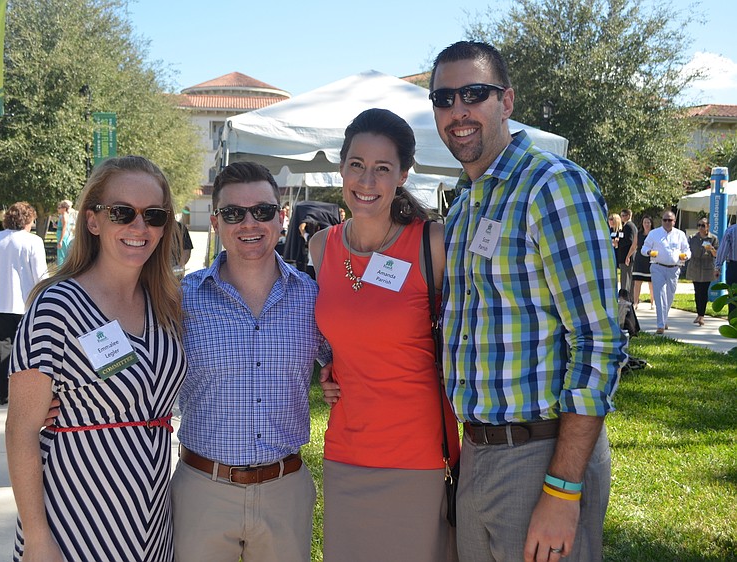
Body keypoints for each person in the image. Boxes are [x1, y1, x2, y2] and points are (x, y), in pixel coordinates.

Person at [431, 41, 624, 561]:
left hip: (542, 456)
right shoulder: (465, 206)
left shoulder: (552, 186)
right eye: (444, 98)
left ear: (507, 101)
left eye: (474, 93)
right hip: (477, 453)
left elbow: (598, 341)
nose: (458, 110)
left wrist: (562, 488)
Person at [5, 156, 186, 561]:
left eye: (154, 215)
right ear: (93, 221)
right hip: (75, 519)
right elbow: (20, 431)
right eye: (122, 212)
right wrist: (36, 537)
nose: (139, 227)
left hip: (151, 519)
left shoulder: (166, 304)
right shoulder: (58, 306)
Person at [309, 108, 458, 561]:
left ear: (403, 175)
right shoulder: (321, 246)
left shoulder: (434, 243)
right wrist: (329, 367)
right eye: (356, 164)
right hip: (345, 450)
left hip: (418, 454)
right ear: (341, 168)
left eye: (382, 168)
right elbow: (339, 335)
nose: (366, 180)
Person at [171, 161, 327, 562]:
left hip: (285, 490)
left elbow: (350, 364)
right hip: (202, 490)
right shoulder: (180, 300)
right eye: (233, 213)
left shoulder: (314, 298)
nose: (249, 223)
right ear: (216, 222)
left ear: (281, 217)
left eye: (262, 210)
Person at [0, 202, 48, 405]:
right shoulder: (33, 241)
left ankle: (2, 392)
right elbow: (41, 275)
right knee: (28, 349)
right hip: (26, 304)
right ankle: (26, 389)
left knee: (1, 348)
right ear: (27, 220)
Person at [641, 210, 691, 334]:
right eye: (665, 220)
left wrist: (686, 256)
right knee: (659, 296)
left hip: (674, 268)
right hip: (657, 267)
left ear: (674, 221)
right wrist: (649, 252)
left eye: (670, 220)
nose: (667, 222)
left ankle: (664, 319)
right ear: (662, 221)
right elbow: (644, 248)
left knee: (669, 296)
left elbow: (687, 250)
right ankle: (660, 325)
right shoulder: (654, 233)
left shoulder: (680, 234)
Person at [686, 218, 718, 325]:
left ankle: (701, 316)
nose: (700, 228)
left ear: (708, 226)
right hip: (695, 266)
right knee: (697, 291)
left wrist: (711, 249)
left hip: (707, 267)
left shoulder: (713, 238)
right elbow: (687, 250)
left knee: (703, 291)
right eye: (699, 225)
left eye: (703, 225)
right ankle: (698, 314)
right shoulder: (692, 238)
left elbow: (716, 254)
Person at [714, 220, 737, 316]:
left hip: (734, 267)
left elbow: (723, 250)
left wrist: (717, 267)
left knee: (733, 298)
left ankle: (733, 322)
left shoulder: (731, 230)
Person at [632, 215, 654, 309]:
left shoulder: (654, 234)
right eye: (645, 222)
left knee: (651, 283)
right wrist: (628, 256)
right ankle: (635, 302)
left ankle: (653, 303)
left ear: (651, 223)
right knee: (637, 282)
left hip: (651, 260)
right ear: (642, 223)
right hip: (640, 259)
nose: (646, 224)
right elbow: (634, 246)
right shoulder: (638, 234)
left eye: (648, 222)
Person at [618, 209, 638, 295]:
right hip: (625, 256)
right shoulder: (627, 226)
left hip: (627, 256)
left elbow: (630, 241)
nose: (622, 218)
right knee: (626, 278)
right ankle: (628, 296)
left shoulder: (629, 226)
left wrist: (619, 242)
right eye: (621, 216)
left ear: (629, 216)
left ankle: (626, 296)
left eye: (623, 215)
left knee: (626, 279)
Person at [55, 199, 76, 266]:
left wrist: (61, 240)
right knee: (61, 253)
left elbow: (64, 228)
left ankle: (62, 268)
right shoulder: (63, 215)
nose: (58, 209)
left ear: (64, 208)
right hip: (62, 235)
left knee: (62, 254)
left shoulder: (64, 216)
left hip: (63, 236)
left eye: (59, 208)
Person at [608, 212, 622, 280]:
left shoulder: (620, 231)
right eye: (609, 219)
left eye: (612, 219)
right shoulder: (609, 230)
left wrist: (617, 242)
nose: (610, 221)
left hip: (617, 252)